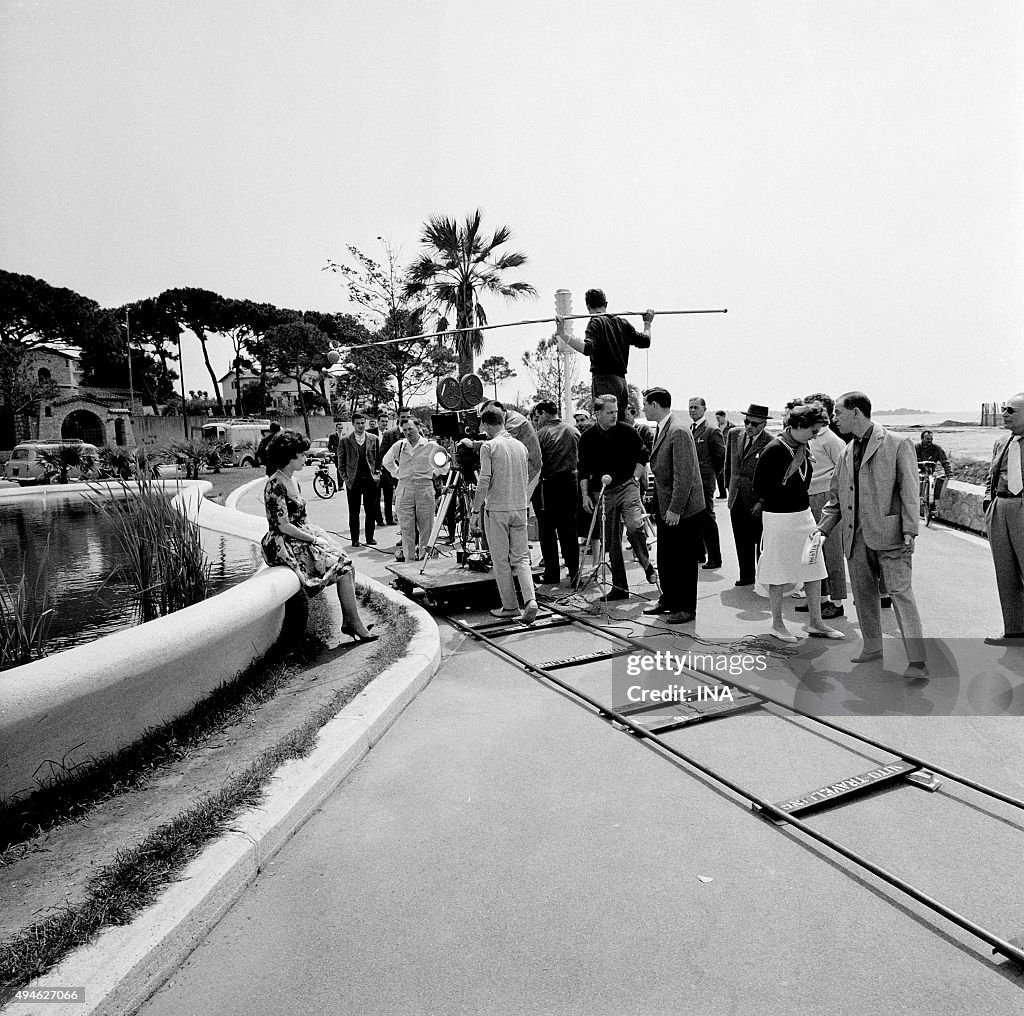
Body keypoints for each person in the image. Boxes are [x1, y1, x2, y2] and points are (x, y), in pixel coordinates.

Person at [816, 391, 927, 677]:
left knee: (901, 594)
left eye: (839, 412)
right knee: (864, 596)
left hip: (891, 536)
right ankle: (873, 648)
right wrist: (822, 530)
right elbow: (835, 500)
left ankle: (917, 661)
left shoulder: (897, 443)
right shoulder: (845, 452)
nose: (834, 418)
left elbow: (910, 490)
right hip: (855, 538)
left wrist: (910, 529)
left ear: (856, 412)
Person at [261, 430, 377, 643]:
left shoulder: (292, 481)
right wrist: (313, 540)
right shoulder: (275, 484)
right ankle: (353, 623)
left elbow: (301, 519)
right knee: (341, 567)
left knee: (347, 565)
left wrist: (317, 536)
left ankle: (350, 621)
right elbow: (283, 525)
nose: (306, 458)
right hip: (283, 542)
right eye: (301, 455)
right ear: (289, 457)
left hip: (299, 535)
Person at [753, 404, 844, 642]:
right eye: (813, 431)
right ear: (799, 426)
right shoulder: (773, 449)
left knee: (813, 566)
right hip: (779, 519)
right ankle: (777, 624)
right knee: (778, 570)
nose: (815, 435)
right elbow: (759, 487)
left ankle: (816, 622)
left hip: (803, 516)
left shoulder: (803, 447)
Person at [577, 394, 656, 600]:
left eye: (616, 412)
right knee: (611, 542)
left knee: (634, 525)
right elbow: (583, 469)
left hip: (627, 486)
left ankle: (647, 565)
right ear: (597, 414)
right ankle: (619, 588)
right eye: (609, 412)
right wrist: (585, 496)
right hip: (603, 492)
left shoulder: (627, 431)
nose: (614, 416)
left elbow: (642, 455)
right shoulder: (586, 438)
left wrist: (636, 478)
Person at [471, 406, 538, 624]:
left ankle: (510, 606)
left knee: (501, 561)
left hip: (498, 510)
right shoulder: (520, 446)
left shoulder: (489, 447)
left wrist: (474, 510)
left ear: (485, 425)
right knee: (521, 558)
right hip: (520, 508)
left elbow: (484, 481)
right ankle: (530, 599)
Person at [642, 388, 704, 624]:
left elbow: (684, 475)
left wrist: (676, 508)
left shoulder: (677, 431)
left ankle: (686, 608)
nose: (644, 408)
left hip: (683, 510)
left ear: (656, 405)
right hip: (666, 504)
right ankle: (669, 600)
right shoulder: (663, 428)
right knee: (667, 556)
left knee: (684, 560)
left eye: (646, 404)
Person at [790, 393, 849, 621]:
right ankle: (818, 598)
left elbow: (843, 471)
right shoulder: (809, 437)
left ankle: (836, 601)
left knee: (832, 551)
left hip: (826, 497)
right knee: (812, 551)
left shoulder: (831, 440)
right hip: (808, 496)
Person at [555, 290, 654, 418]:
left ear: (588, 307)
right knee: (619, 422)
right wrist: (647, 323)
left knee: (605, 422)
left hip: (603, 380)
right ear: (606, 303)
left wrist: (563, 334)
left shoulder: (595, 322)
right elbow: (646, 341)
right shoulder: (622, 323)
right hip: (621, 383)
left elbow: (587, 348)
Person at [982, 393, 1024, 645]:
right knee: (1005, 573)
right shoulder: (1001, 442)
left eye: (1011, 410)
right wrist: (989, 502)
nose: (1004, 414)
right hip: (1001, 507)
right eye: (1004, 409)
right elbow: (991, 475)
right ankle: (1015, 631)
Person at [381, 416, 447, 562]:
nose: (407, 432)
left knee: (426, 529)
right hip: (405, 489)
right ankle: (409, 563)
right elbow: (386, 461)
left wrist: (433, 474)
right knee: (406, 529)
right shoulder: (399, 446)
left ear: (418, 428)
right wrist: (397, 473)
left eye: (410, 428)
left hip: (424, 488)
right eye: (404, 430)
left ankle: (425, 562)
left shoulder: (430, 446)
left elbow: (445, 464)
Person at [725, 404, 774, 586]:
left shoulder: (770, 442)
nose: (749, 426)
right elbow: (728, 465)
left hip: (756, 499)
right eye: (747, 422)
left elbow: (771, 476)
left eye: (754, 423)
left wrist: (762, 501)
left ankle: (763, 577)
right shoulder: (734, 435)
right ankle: (746, 575)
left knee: (759, 539)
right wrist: (729, 488)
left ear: (763, 425)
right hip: (736, 495)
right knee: (740, 536)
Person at [534, 400, 581, 585]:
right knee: (569, 530)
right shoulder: (573, 431)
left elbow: (536, 462)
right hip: (571, 482)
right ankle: (574, 571)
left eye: (538, 416)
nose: (537, 420)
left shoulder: (542, 434)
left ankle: (552, 572)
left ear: (544, 414)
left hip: (549, 485)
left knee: (547, 531)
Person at [688, 396, 726, 569]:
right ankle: (698, 554)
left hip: (704, 481)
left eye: (696, 407)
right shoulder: (691, 429)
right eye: (690, 408)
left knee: (707, 520)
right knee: (695, 519)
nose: (692, 410)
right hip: (693, 483)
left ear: (704, 409)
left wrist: (711, 475)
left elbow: (720, 458)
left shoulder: (711, 430)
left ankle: (715, 557)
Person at [337, 411, 381, 547]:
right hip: (353, 481)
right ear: (353, 424)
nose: (361, 426)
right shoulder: (345, 440)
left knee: (370, 510)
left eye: (363, 423)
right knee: (354, 512)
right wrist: (346, 478)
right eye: (358, 423)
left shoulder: (374, 439)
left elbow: (378, 459)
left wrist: (377, 474)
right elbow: (341, 461)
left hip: (370, 480)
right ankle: (355, 539)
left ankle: (369, 538)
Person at [915, 430, 952, 503]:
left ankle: (932, 504)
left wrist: (949, 475)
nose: (930, 441)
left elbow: (945, 462)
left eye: (931, 439)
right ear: (922, 439)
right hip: (917, 473)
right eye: (927, 439)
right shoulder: (916, 448)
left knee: (936, 485)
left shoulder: (937, 448)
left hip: (930, 473)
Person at [714, 410, 733, 498]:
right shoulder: (716, 428)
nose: (718, 420)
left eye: (719, 418)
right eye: (716, 418)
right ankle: (723, 494)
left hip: (729, 453)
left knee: (728, 474)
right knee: (719, 475)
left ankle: (731, 493)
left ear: (724, 416)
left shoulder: (731, 427)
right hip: (719, 454)